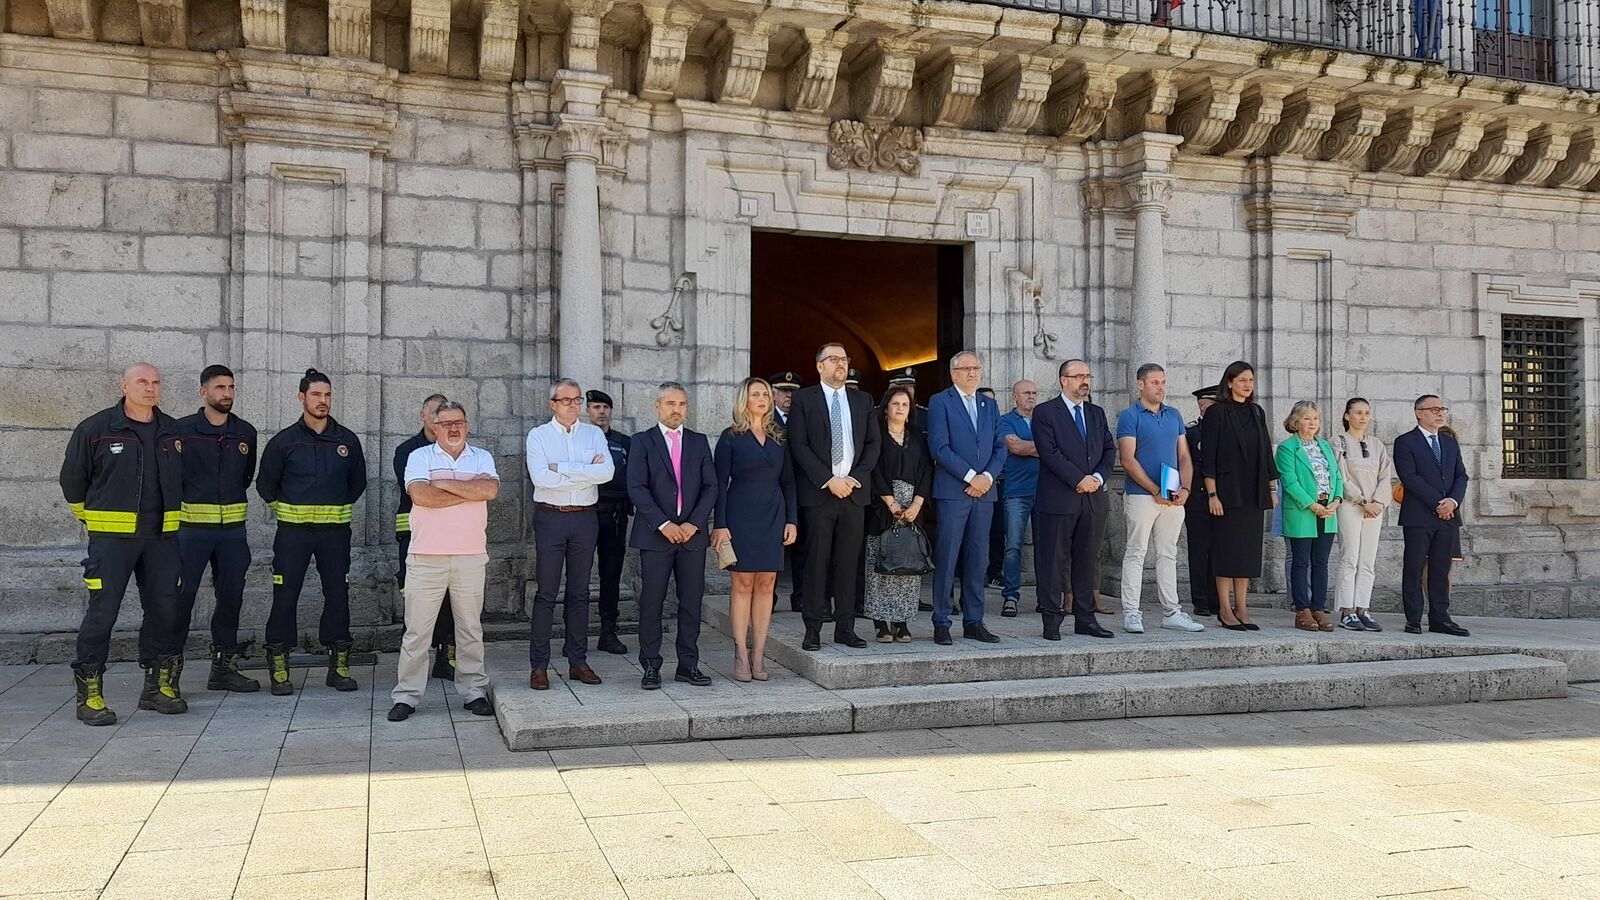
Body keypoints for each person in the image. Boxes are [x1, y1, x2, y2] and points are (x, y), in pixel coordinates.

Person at [60, 363, 186, 725]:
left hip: (162, 540)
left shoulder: (172, 431)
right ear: (124, 386)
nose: (150, 388)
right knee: (103, 614)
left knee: (164, 611)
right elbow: (72, 480)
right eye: (142, 382)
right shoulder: (97, 429)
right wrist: (93, 520)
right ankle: (90, 694)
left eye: (156, 382)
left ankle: (156, 687)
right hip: (112, 543)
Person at [257, 368, 368, 695]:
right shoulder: (284, 442)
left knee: (338, 595)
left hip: (335, 534)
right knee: (285, 596)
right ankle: (279, 664)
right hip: (293, 535)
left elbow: (357, 483)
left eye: (328, 395)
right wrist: (289, 513)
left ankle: (339, 665)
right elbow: (266, 485)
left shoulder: (346, 440)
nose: (323, 401)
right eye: (316, 395)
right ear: (302, 397)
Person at [388, 400, 498, 721]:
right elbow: (421, 496)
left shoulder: (482, 457)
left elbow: (490, 489)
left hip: (470, 556)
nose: (453, 428)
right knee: (417, 632)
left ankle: (474, 691)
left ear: (467, 425)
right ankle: (407, 695)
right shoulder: (418, 456)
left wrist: (445, 484)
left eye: (459, 422)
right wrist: (468, 490)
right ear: (434, 427)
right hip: (426, 557)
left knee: (469, 629)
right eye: (446, 423)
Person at [786, 342, 881, 650]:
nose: (841, 364)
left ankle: (845, 627)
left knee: (848, 563)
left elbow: (872, 445)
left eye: (844, 359)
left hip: (853, 493)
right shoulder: (804, 399)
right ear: (820, 366)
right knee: (816, 562)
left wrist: (853, 478)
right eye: (834, 359)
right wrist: (828, 480)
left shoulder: (863, 399)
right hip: (820, 494)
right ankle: (813, 628)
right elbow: (798, 445)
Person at [174, 365, 260, 694]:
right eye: (220, 388)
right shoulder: (181, 431)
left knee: (231, 599)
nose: (227, 394)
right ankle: (167, 674)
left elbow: (245, 477)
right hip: (191, 534)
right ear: (204, 392)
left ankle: (223, 670)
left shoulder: (245, 433)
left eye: (231, 388)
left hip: (232, 535)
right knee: (181, 600)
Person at [524, 377, 614, 689]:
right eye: (566, 400)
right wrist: (585, 470)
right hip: (551, 517)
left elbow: (607, 472)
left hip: (585, 518)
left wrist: (561, 467)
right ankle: (539, 665)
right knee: (547, 593)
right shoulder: (538, 436)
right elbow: (540, 478)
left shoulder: (593, 434)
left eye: (577, 400)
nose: (573, 405)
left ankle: (577, 661)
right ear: (553, 404)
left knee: (580, 592)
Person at [629, 382, 717, 689]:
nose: (676, 409)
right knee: (651, 602)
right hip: (656, 536)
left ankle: (688, 664)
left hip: (692, 536)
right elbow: (636, 487)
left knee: (691, 601)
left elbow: (711, 487)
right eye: (670, 404)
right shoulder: (642, 442)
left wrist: (693, 524)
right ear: (657, 406)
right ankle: (651, 665)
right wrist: (665, 524)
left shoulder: (699, 442)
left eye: (681, 404)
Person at [712, 377, 797, 681]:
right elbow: (720, 484)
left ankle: (759, 654)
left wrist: (792, 520)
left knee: (766, 585)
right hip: (740, 514)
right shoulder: (730, 437)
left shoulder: (780, 437)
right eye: (755, 394)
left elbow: (789, 482)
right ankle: (739, 652)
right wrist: (720, 524)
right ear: (744, 400)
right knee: (743, 584)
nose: (762, 399)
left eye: (765, 394)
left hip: (773, 513)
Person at [1116, 364, 1204, 634]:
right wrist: (1154, 489)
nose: (1161, 387)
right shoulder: (1130, 416)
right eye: (1154, 382)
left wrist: (1186, 488)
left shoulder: (1174, 415)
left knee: (1168, 553)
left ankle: (1172, 612)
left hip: (1174, 494)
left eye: (1163, 382)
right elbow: (1128, 459)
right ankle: (1132, 612)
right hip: (1143, 495)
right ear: (1140, 385)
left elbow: (1185, 456)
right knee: (1136, 552)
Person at [1032, 359, 1116, 640]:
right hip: (1059, 499)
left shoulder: (1096, 412)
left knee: (1087, 560)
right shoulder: (1045, 412)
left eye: (1088, 375)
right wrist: (1078, 479)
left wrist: (1098, 479)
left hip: (1092, 499)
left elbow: (1108, 449)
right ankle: (1051, 620)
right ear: (1063, 380)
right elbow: (1049, 452)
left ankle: (1085, 617)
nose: (1085, 380)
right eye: (1078, 375)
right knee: (1054, 561)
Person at [926, 351, 1006, 645]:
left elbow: (1000, 447)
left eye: (977, 368)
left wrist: (986, 478)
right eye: (967, 368)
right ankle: (942, 621)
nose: (973, 373)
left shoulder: (990, 405)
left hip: (984, 493)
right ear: (953, 373)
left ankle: (974, 620)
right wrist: (971, 476)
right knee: (948, 557)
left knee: (978, 558)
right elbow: (939, 447)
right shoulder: (940, 402)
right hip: (953, 492)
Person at [1199, 361, 1276, 632]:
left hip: (1252, 492)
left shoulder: (1257, 412)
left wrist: (1271, 488)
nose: (1247, 384)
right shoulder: (1217, 412)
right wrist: (1212, 494)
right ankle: (1224, 607)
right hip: (1226, 493)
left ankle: (1242, 607)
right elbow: (1208, 457)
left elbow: (1266, 452)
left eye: (1251, 380)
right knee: (1226, 552)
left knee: (1246, 553)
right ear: (1229, 382)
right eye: (1242, 379)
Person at [1393, 395, 1470, 636]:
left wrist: (1452, 502)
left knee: (1440, 569)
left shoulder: (1448, 442)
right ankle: (1413, 618)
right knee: (1414, 567)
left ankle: (1440, 617)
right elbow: (1410, 477)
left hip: (1448, 515)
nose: (1440, 413)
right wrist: (1438, 502)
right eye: (1434, 409)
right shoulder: (1405, 442)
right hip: (1419, 515)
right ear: (1419, 413)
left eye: (1442, 409)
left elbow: (1461, 476)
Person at [394, 393, 456, 680]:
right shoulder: (406, 451)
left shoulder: (460, 450)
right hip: (414, 535)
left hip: (452, 536)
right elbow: (418, 492)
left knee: (450, 595)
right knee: (417, 599)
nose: (438, 420)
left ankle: (446, 654)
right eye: (434, 414)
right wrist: (457, 489)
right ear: (423, 416)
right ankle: (416, 661)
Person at [865, 385, 932, 643]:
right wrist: (891, 503)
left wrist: (916, 504)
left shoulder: (916, 437)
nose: (900, 409)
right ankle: (881, 622)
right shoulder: (877, 435)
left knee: (908, 564)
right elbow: (873, 470)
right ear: (886, 407)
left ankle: (902, 622)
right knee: (880, 564)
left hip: (912, 508)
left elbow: (927, 471)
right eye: (895, 404)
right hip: (883, 507)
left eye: (905, 405)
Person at [1276, 401, 1343, 633]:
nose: (1312, 423)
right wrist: (1313, 505)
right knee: (1301, 560)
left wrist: (1336, 501)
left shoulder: (1324, 446)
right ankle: (1302, 609)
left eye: (1315, 418)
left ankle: (1318, 608)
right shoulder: (1287, 448)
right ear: (1295, 421)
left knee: (1321, 562)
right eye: (1306, 418)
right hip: (1304, 510)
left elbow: (1337, 477)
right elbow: (1290, 482)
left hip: (1328, 510)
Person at [1333, 398, 1392, 631]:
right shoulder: (1339, 442)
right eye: (1358, 412)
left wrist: (1378, 502)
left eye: (1367, 413)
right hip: (1351, 505)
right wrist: (1362, 501)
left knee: (1368, 559)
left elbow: (1386, 475)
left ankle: (1363, 607)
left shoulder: (1377, 444)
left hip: (1374, 508)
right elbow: (1341, 477)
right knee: (1350, 556)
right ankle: (1347, 610)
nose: (1363, 417)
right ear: (1347, 416)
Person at [587, 389, 631, 655]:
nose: (601, 412)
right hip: (585, 512)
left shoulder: (624, 442)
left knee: (611, 574)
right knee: (578, 575)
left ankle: (608, 631)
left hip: (614, 514)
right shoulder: (579, 441)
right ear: (587, 412)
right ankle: (574, 633)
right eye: (595, 407)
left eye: (605, 407)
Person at [997, 380, 1039, 618]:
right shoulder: (1005, 421)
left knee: (1046, 548)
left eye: (1034, 393)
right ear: (1015, 396)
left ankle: (1045, 598)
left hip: (1045, 492)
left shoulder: (1045, 420)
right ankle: (1010, 596)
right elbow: (1014, 448)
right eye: (1026, 393)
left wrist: (1030, 446)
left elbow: (1059, 447)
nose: (1031, 397)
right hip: (1016, 491)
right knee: (1013, 545)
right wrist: (1044, 447)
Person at [770, 371, 805, 612]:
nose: (788, 396)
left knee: (802, 547)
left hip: (801, 489)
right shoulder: (765, 419)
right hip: (774, 491)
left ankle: (800, 596)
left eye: (792, 391)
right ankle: (768, 597)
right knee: (773, 545)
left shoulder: (803, 417)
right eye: (783, 391)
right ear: (772, 394)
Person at [1184, 386, 1220, 616]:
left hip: (1221, 499)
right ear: (1201, 405)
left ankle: (1217, 599)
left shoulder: (1225, 430)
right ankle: (1200, 600)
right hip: (1197, 497)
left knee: (1218, 550)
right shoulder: (1192, 432)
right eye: (1208, 405)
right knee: (1198, 550)